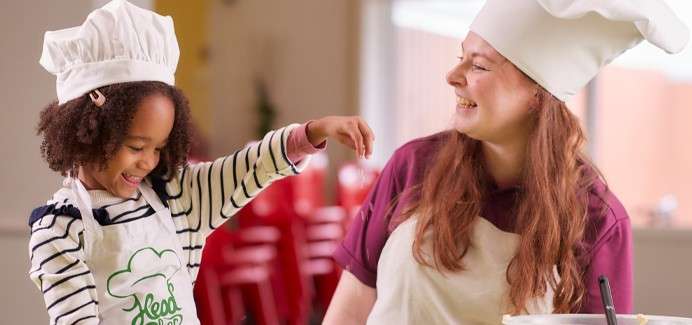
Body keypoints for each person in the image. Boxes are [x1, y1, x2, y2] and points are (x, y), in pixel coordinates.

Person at [324, 0, 689, 323]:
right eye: (460, 58)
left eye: (479, 66)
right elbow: (353, 304)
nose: (452, 77)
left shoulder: (596, 218)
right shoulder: (413, 167)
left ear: (537, 94)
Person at [28, 1, 374, 324]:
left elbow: (251, 167)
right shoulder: (60, 229)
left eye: (159, 148)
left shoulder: (178, 196)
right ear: (88, 130)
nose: (148, 162)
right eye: (136, 146)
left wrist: (314, 131)